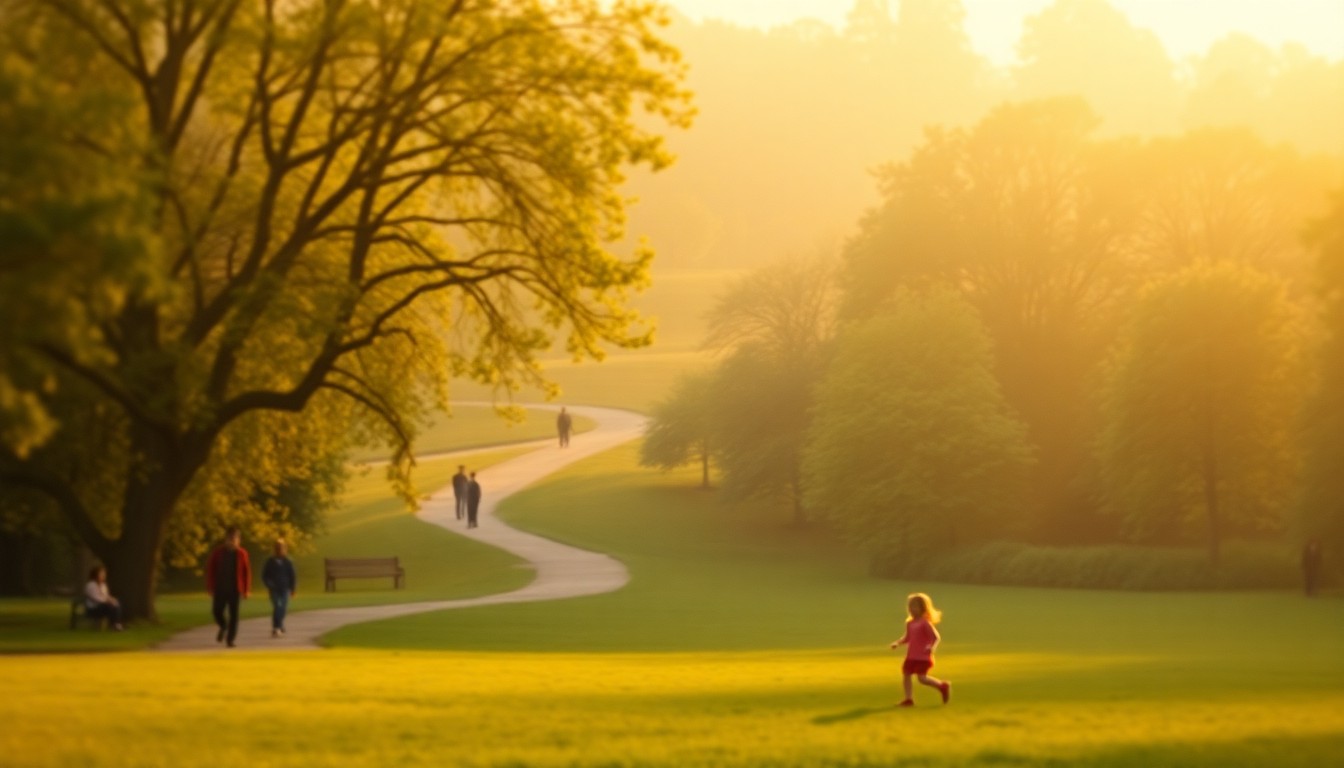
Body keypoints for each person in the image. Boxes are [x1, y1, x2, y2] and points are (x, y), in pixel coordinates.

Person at [890, 592, 951, 707]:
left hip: (923, 656)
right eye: (910, 607)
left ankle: (942, 686)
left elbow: (935, 637)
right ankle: (908, 699)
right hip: (911, 656)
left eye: (915, 607)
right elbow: (907, 638)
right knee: (906, 674)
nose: (912, 609)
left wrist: (931, 648)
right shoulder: (910, 623)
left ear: (923, 608)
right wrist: (897, 643)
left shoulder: (925, 623)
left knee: (922, 679)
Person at [206, 527, 251, 647]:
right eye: (230, 538)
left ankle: (230, 640)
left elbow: (246, 572)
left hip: (235, 589)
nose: (232, 541)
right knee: (216, 611)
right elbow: (211, 570)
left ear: (238, 540)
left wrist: (246, 590)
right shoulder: (217, 553)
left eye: (235, 538)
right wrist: (210, 587)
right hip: (220, 588)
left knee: (234, 615)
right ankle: (223, 626)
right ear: (226, 539)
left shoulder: (242, 554)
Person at [261, 539, 297, 638]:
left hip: (285, 588)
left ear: (285, 549)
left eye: (282, 548)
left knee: (283, 608)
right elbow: (264, 576)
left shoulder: (288, 562)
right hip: (274, 589)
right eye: (278, 548)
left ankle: (280, 625)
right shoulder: (270, 561)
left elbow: (292, 576)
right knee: (277, 606)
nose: (280, 550)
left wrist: (293, 589)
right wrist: (269, 584)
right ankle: (276, 627)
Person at [83, 566, 124, 631]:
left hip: (103, 606)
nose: (103, 576)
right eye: (101, 574)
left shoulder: (103, 585)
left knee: (116, 603)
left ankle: (116, 624)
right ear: (96, 575)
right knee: (110, 606)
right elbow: (95, 598)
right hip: (93, 609)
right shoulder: (90, 585)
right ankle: (115, 625)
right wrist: (107, 601)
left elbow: (106, 596)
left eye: (104, 574)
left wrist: (111, 599)